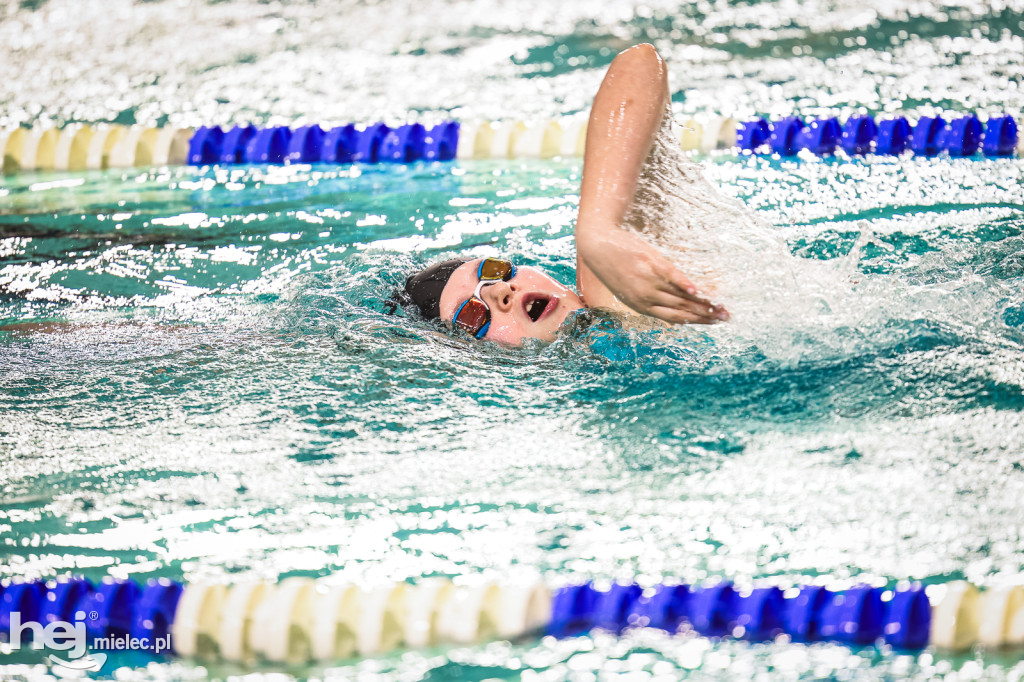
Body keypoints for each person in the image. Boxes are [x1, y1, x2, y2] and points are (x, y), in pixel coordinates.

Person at [393, 43, 730, 346]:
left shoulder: (615, 293)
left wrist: (598, 229)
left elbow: (640, 62)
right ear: (464, 351)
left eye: (495, 270)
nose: (500, 290)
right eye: (473, 315)